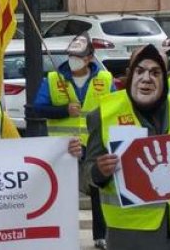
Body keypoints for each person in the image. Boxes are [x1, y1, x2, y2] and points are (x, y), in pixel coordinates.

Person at [83, 44, 170, 249]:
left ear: (165, 77)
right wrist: (98, 172)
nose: (147, 79)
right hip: (131, 233)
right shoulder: (103, 114)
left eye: (156, 72)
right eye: (140, 71)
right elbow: (86, 176)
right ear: (129, 74)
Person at [33, 33, 113, 248]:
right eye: (70, 55)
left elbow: (115, 108)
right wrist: (63, 110)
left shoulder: (105, 80)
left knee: (97, 189)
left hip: (94, 143)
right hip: (63, 146)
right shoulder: (52, 79)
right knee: (62, 192)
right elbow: (36, 108)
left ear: (89, 58)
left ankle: (100, 236)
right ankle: (60, 235)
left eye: (77, 56)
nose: (72, 60)